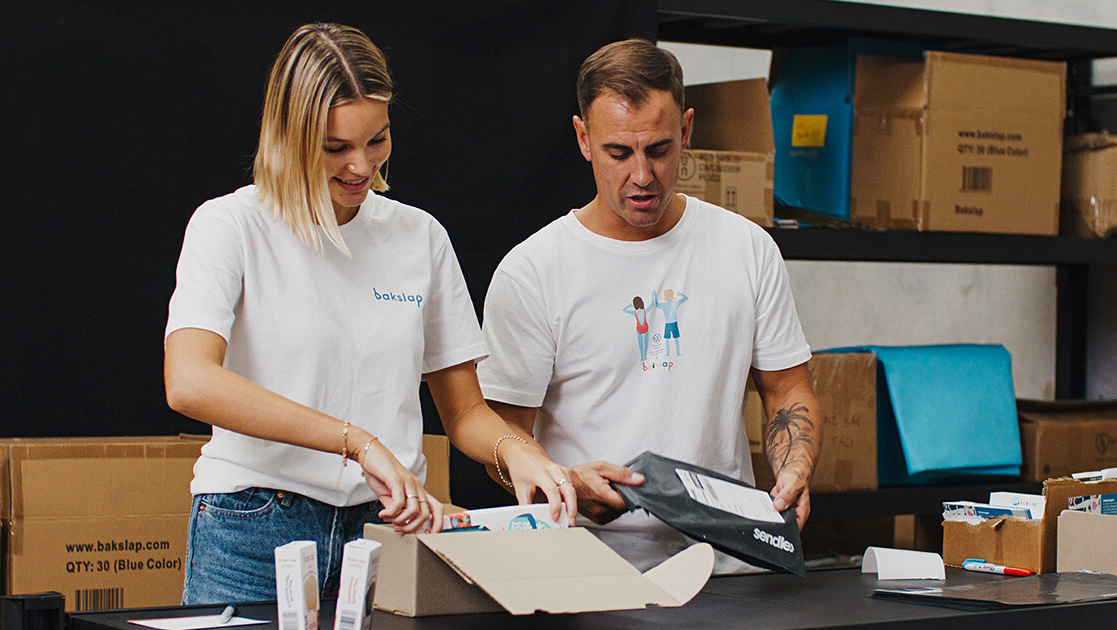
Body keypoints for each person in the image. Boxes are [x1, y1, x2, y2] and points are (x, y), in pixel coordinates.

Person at [163, 22, 576, 604]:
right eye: (336, 148)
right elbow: (189, 383)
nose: (361, 165)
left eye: (377, 140)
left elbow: (464, 414)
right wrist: (356, 441)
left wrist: (522, 454)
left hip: (387, 533)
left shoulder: (419, 237)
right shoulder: (230, 226)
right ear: (290, 134)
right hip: (256, 527)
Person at [477, 39, 822, 572]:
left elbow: (787, 389)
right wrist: (567, 482)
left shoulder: (746, 247)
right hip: (587, 569)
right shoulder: (533, 272)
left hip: (729, 566)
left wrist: (795, 466)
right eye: (620, 153)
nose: (642, 175)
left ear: (685, 130)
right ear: (583, 139)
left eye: (659, 150)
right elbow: (501, 437)